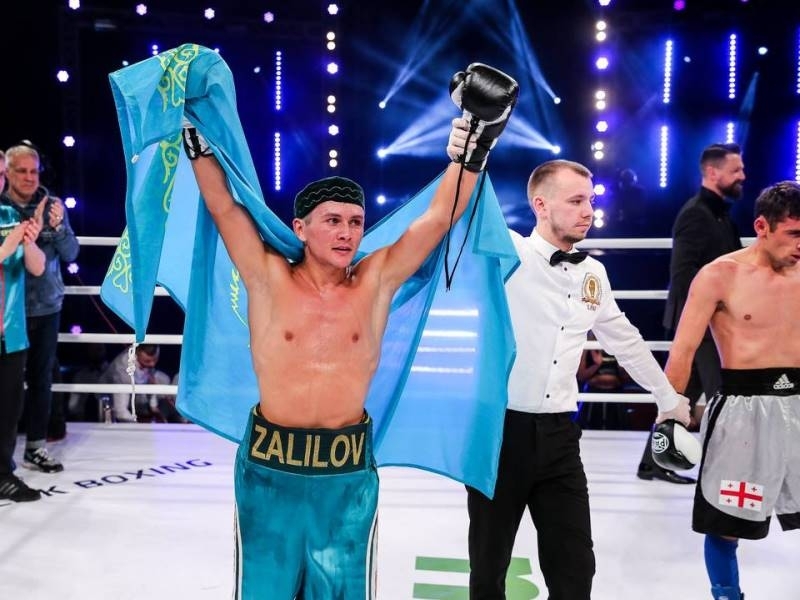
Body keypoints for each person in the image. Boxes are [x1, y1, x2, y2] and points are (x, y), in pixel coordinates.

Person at [182, 63, 517, 599]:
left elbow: (436, 219)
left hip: (346, 475)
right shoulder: (267, 277)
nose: (346, 233)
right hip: (268, 471)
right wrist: (195, 133)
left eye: (356, 222)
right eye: (333, 221)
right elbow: (223, 206)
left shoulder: (374, 282)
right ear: (301, 228)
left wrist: (472, 153)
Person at [465, 159, 691, 600]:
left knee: (575, 571)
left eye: (590, 200)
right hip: (500, 435)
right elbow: (465, 208)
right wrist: (471, 149)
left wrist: (667, 397)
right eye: (575, 201)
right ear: (540, 205)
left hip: (561, 437)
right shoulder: (507, 252)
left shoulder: (594, 274)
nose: (588, 211)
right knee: (489, 568)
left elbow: (625, 340)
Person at [664, 180, 800, 600]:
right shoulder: (719, 276)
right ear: (762, 226)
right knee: (725, 521)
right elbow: (683, 350)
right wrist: (669, 419)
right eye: (794, 233)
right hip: (743, 410)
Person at [638, 142, 745, 484]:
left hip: (713, 323)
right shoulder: (696, 214)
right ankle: (727, 470)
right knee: (721, 394)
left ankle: (651, 462)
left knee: (681, 395)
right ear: (712, 172)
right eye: (736, 170)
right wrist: (695, 326)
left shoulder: (720, 214)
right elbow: (683, 275)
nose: (743, 175)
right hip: (700, 324)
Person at [0, 142, 80, 472]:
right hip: (7, 311)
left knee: (41, 379)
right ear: (7, 173)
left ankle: (35, 446)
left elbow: (72, 253)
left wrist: (57, 228)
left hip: (45, 307)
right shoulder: (1, 208)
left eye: (34, 171)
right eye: (22, 171)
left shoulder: (53, 206)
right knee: (6, 383)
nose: (30, 177)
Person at [0, 151, 47, 502]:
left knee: (8, 408)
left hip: (11, 330)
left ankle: (3, 474)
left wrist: (29, 241)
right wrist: (10, 242)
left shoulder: (9, 215)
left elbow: (38, 268)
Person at [100, 344, 181, 423]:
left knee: (163, 381)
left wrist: (154, 408)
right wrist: (140, 428)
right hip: (108, 401)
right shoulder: (122, 369)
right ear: (136, 354)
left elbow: (150, 379)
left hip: (136, 396)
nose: (152, 364)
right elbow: (120, 411)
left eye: (155, 360)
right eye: (147, 361)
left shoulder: (150, 354)